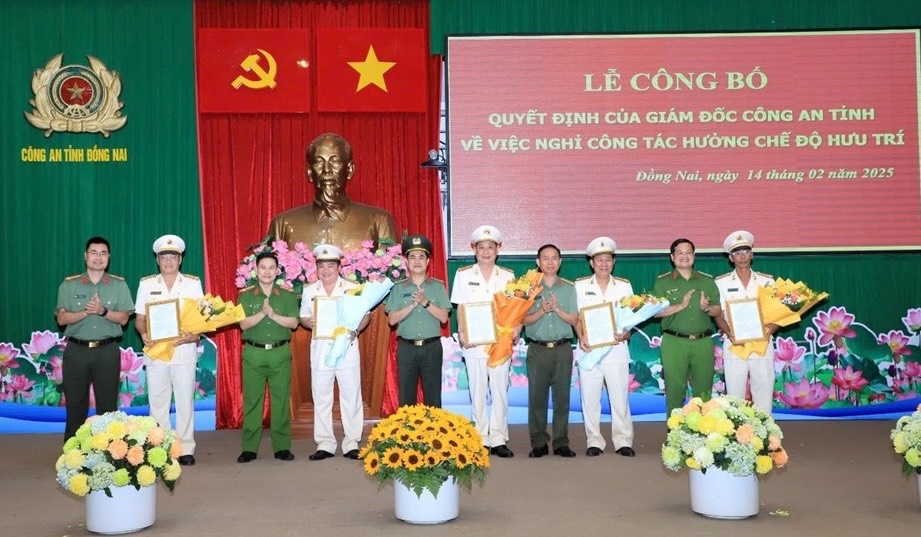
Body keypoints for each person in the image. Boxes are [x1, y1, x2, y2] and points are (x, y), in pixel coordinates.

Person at [134, 234, 203, 466]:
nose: (169, 260)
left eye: (173, 256)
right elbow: (140, 318)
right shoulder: (146, 284)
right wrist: (143, 333)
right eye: (164, 256)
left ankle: (185, 448)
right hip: (157, 353)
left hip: (184, 351)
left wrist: (194, 335)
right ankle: (160, 448)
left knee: (185, 401)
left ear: (181, 259)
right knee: (158, 401)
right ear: (157, 260)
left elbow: (201, 318)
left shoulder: (193, 284)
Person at [56, 236, 134, 440]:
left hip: (106, 352)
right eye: (93, 252)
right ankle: (72, 456)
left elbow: (124, 318)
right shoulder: (69, 285)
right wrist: (85, 312)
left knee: (108, 408)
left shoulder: (119, 285)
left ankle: (110, 455)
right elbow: (62, 318)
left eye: (103, 253)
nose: (98, 257)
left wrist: (102, 310)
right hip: (76, 352)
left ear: (109, 257)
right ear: (85, 256)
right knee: (75, 406)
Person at [450, 225, 517, 458]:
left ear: (498, 249)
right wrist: (463, 333)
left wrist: (515, 330)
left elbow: (515, 309)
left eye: (491, 247)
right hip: (475, 342)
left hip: (500, 342)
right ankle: (479, 438)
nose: (486, 251)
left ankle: (498, 438)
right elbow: (460, 307)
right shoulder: (464, 274)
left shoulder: (508, 276)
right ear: (473, 249)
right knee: (477, 390)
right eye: (481, 247)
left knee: (499, 390)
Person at [299, 244, 370, 460]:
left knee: (351, 395)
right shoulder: (310, 290)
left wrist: (355, 330)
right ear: (316, 268)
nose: (326, 270)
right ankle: (325, 443)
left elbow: (365, 315)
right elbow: (303, 316)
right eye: (322, 266)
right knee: (321, 396)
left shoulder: (352, 288)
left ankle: (351, 443)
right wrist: (309, 322)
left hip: (346, 348)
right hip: (320, 349)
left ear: (339, 267)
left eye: (330, 266)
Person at [269, 132, 396, 251]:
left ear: (350, 169)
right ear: (309, 172)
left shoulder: (379, 221)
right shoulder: (283, 224)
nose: (327, 170)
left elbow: (391, 270)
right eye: (319, 162)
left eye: (335, 161)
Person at [574, 237, 636, 457]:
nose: (603, 264)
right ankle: (594, 441)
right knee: (590, 398)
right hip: (589, 350)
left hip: (616, 349)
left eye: (607, 259)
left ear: (613, 262)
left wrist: (626, 333)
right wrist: (581, 337)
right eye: (599, 260)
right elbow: (578, 318)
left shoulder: (624, 285)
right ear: (592, 263)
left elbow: (630, 318)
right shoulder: (580, 286)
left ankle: (623, 441)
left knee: (619, 397)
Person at [236, 252, 299, 463]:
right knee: (252, 400)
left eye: (272, 268)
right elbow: (243, 324)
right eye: (263, 267)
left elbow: (293, 323)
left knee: (280, 401)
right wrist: (262, 314)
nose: (267, 272)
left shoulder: (287, 295)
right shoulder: (245, 296)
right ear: (256, 269)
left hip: (280, 353)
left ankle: (281, 447)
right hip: (253, 353)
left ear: (277, 271)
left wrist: (273, 315)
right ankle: (249, 448)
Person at [652, 238, 722, 416]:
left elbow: (717, 310)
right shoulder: (663, 282)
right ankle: (674, 437)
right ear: (672, 257)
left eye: (688, 252)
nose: (684, 256)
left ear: (694, 255)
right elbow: (655, 313)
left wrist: (707, 308)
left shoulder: (707, 281)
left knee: (704, 393)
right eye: (680, 253)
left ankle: (705, 436)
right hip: (674, 343)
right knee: (675, 391)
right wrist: (680, 306)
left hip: (702, 342)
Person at [521, 244, 579, 458]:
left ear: (560, 262)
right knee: (537, 398)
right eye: (545, 258)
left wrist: (556, 309)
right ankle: (538, 442)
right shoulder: (528, 288)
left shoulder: (569, 288)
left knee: (562, 398)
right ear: (538, 262)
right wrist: (541, 311)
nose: (550, 262)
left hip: (563, 349)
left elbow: (574, 318)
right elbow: (523, 320)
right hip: (538, 350)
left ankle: (561, 442)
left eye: (554, 258)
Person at [714, 230, 778, 414]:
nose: (742, 256)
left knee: (764, 390)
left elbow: (778, 313)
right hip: (735, 343)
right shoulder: (721, 282)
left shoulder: (767, 281)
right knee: (734, 394)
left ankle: (766, 435)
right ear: (730, 258)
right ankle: (737, 436)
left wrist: (771, 329)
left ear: (752, 254)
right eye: (737, 253)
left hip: (762, 342)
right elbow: (718, 314)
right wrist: (729, 332)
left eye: (745, 251)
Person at [384, 234, 450, 407]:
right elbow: (392, 320)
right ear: (407, 261)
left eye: (422, 257)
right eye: (412, 257)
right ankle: (408, 433)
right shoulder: (398, 288)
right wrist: (413, 305)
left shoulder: (437, 287)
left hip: (432, 348)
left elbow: (444, 317)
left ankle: (434, 432)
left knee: (433, 396)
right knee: (406, 396)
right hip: (407, 349)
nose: (417, 261)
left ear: (428, 261)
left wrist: (425, 302)